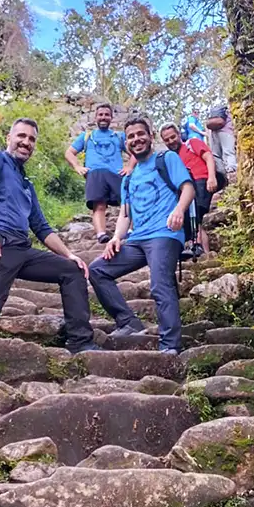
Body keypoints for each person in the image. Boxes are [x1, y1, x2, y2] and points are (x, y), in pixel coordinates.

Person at [0, 118, 98, 377]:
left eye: (32, 139)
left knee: (71, 271)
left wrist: (70, 255)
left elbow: (42, 228)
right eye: (21, 136)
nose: (26, 142)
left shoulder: (26, 183)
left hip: (21, 248)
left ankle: (80, 342)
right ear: (9, 138)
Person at [89, 117, 195, 355]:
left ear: (150, 136)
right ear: (126, 143)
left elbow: (187, 187)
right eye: (131, 136)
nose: (136, 139)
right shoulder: (128, 178)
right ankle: (128, 322)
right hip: (137, 239)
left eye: (140, 134)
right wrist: (116, 237)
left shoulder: (166, 159)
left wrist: (179, 210)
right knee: (97, 270)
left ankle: (170, 345)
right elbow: (125, 214)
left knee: (159, 284)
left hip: (165, 234)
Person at [65, 103, 132, 244]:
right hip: (95, 174)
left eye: (107, 115)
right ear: (95, 117)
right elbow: (69, 152)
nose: (103, 117)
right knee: (98, 205)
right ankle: (101, 234)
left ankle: (129, 231)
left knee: (126, 202)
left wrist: (129, 167)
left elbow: (134, 153)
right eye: (100, 114)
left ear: (111, 118)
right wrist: (77, 167)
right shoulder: (87, 136)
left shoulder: (119, 136)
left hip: (116, 173)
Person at [159, 122, 226, 256]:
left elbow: (208, 156)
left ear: (179, 134)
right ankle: (204, 251)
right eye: (167, 140)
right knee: (194, 218)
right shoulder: (172, 158)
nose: (171, 141)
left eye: (173, 137)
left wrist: (211, 177)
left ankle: (198, 245)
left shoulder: (192, 143)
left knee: (195, 214)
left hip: (201, 181)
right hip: (186, 188)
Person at [206, 103, 237, 175]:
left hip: (213, 133)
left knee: (216, 155)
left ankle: (221, 174)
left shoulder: (213, 116)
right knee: (228, 152)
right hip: (226, 131)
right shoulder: (229, 112)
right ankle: (231, 170)